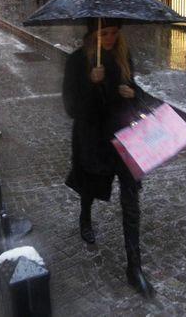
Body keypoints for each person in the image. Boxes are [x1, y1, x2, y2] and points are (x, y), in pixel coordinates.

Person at [62, 18, 155, 299]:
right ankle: (85, 216)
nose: (111, 38)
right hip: (93, 138)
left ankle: (134, 266)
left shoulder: (122, 55)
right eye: (105, 33)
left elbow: (133, 92)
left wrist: (133, 93)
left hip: (124, 137)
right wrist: (91, 84)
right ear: (93, 34)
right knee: (90, 185)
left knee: (131, 200)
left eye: (115, 33)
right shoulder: (78, 61)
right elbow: (71, 107)